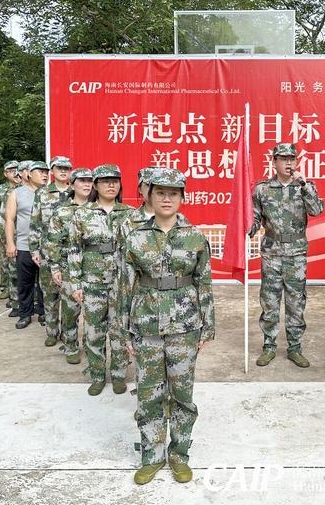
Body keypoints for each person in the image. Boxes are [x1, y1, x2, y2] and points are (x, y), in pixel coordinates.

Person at [117, 167, 215, 485]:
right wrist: (123, 330)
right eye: (160, 192)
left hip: (185, 327)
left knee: (182, 394)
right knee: (149, 395)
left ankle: (179, 454)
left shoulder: (195, 236)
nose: (166, 198)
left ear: (182, 197)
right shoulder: (136, 237)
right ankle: (152, 456)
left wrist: (207, 326)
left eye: (173, 193)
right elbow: (124, 286)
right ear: (149, 195)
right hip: (146, 325)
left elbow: (204, 283)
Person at [249, 143, 324, 368]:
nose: (288, 162)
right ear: (274, 162)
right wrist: (248, 227)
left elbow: (317, 210)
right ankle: (269, 346)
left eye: (292, 158)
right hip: (271, 253)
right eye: (283, 159)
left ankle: (294, 348)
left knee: (296, 302)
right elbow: (254, 217)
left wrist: (304, 185)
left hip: (296, 253)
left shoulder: (305, 186)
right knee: (269, 301)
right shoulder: (262, 189)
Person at [69, 164, 133, 396]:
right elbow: (74, 249)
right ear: (95, 185)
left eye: (115, 180)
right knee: (94, 332)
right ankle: (97, 375)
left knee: (120, 331)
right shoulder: (82, 214)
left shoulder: (130, 214)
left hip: (121, 283)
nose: (111, 185)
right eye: (105, 181)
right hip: (92, 282)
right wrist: (75, 283)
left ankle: (118, 375)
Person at [48, 167, 93, 364]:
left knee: (93, 313)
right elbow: (53, 241)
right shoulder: (62, 211)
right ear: (72, 184)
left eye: (90, 181)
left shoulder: (98, 209)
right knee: (70, 311)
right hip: (68, 267)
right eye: (82, 180)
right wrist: (55, 268)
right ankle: (71, 346)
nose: (87, 184)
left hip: (93, 269)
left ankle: (92, 347)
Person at [30, 155, 72, 347]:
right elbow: (35, 222)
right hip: (48, 251)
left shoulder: (76, 192)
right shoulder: (42, 193)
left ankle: (68, 334)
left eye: (66, 168)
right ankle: (52, 332)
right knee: (49, 294)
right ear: (52, 171)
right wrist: (34, 249)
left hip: (71, 253)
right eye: (59, 168)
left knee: (70, 297)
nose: (63, 171)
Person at [5, 161, 48, 329]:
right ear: (29, 173)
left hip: (46, 247)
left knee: (45, 283)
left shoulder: (49, 194)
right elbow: (9, 220)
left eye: (46, 172)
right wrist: (10, 243)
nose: (44, 174)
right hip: (24, 245)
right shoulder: (17, 193)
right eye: (40, 171)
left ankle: (44, 312)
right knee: (25, 283)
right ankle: (25, 314)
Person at [0, 160, 20, 302]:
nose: (14, 173)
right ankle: (6, 287)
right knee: (5, 260)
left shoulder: (25, 188)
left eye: (16, 170)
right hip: (4, 230)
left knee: (20, 260)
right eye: (10, 170)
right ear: (5, 173)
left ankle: (19, 287)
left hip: (22, 230)